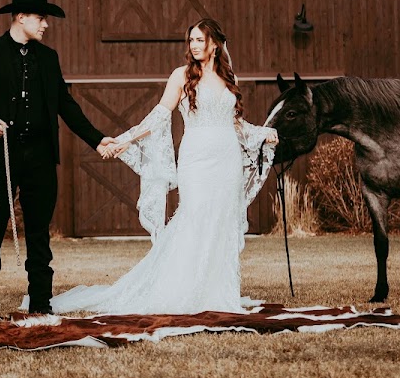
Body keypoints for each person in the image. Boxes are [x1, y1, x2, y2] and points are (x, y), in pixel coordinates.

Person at [49, 18, 279, 315]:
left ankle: (216, 292)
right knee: (194, 217)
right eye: (191, 40)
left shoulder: (229, 77)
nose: (194, 45)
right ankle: (182, 289)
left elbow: (236, 124)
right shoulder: (182, 76)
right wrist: (126, 140)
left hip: (227, 160)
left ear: (215, 44)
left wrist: (262, 133)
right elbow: (159, 115)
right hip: (196, 160)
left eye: (200, 40)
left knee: (221, 221)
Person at [0, 0, 118, 321]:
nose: (46, 25)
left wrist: (97, 139)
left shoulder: (48, 58)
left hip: (41, 157)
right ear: (21, 17)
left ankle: (41, 305)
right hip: (0, 156)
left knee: (39, 234)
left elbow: (65, 105)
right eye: (41, 18)